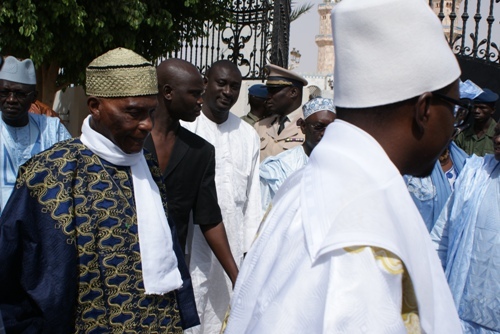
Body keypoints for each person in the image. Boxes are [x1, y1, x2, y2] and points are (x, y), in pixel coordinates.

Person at [223, 0, 463, 332]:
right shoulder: (358, 243)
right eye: (455, 107)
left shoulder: (309, 187)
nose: (454, 124)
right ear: (424, 110)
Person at [0, 47, 199, 333]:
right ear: (95, 106)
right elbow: (13, 273)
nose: (146, 125)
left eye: (151, 112)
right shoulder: (51, 173)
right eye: (134, 112)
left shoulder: (146, 167)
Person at [181, 60, 261, 334]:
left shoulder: (248, 135)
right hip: (192, 244)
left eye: (235, 87)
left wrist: (250, 250)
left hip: (234, 244)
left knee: (227, 317)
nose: (227, 91)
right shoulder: (186, 128)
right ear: (206, 83)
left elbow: (252, 199)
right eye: (222, 83)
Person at [144, 58, 238, 284]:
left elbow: (209, 219)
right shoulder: (130, 142)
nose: (200, 101)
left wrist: (237, 277)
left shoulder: (200, 152)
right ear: (168, 92)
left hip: (170, 271)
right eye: (194, 93)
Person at [431, 122, 500, 333]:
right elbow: (441, 235)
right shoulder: (476, 173)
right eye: (498, 133)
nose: (498, 140)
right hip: (459, 310)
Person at [404, 80, 480, 232]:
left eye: (460, 117)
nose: (455, 125)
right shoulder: (408, 162)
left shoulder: (464, 162)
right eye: (453, 116)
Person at [0, 56, 70, 214]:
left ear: (33, 97)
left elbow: (71, 173)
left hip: (39, 230)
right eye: (4, 92)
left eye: (19, 94)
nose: (11, 99)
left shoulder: (52, 130)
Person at [259, 97, 335, 212]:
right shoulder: (279, 168)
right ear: (303, 127)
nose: (325, 133)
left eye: (332, 128)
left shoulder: (345, 166)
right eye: (319, 127)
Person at [254, 64, 308, 161]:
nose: (268, 96)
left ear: (293, 92)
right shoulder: (260, 126)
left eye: (273, 91)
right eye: (268, 91)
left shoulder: (310, 127)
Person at [455, 87, 499, 156]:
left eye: (482, 107)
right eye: (474, 107)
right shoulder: (462, 134)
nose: (477, 111)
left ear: (492, 110)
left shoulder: (497, 135)